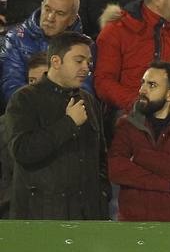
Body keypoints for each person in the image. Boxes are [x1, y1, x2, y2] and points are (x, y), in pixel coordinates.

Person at [7, 35, 105, 220]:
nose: (86, 68)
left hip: (86, 216)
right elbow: (22, 151)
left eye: (89, 62)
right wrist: (68, 124)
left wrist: (102, 194)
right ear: (56, 61)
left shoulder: (89, 100)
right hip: (40, 217)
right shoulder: (25, 99)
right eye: (79, 61)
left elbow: (100, 157)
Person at [107, 61, 170, 221]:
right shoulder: (127, 124)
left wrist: (140, 156)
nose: (142, 90)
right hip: (133, 223)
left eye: (152, 85)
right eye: (143, 83)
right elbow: (116, 169)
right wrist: (164, 183)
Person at [0, 0, 88, 104]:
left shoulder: (86, 47)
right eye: (47, 9)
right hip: (25, 112)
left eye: (59, 13)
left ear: (72, 19)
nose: (50, 18)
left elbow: (85, 91)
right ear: (42, 6)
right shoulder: (16, 38)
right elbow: (12, 87)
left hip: (67, 113)